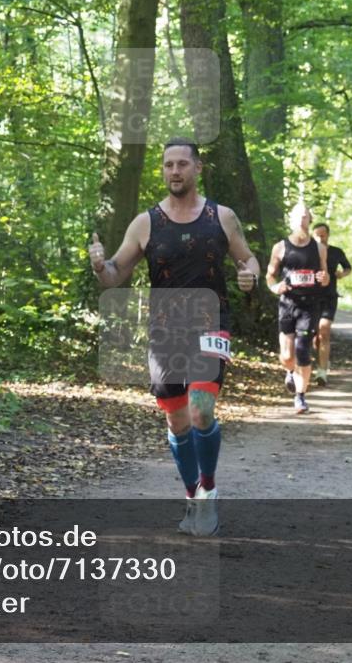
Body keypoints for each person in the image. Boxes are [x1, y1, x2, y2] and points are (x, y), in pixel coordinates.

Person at [88, 137, 259, 537]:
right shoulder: (146, 223)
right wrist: (100, 266)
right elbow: (116, 274)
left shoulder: (222, 216)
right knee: (178, 420)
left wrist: (248, 275)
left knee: (201, 410)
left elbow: (247, 257)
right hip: (164, 331)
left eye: (183, 164)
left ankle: (209, 491)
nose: (175, 171)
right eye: (168, 165)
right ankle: (191, 495)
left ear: (199, 169)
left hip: (210, 320)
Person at [266, 202, 329, 414]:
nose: (302, 220)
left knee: (303, 348)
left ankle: (300, 397)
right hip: (287, 303)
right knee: (286, 355)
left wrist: (323, 277)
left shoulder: (319, 248)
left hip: (309, 305)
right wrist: (275, 287)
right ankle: (290, 371)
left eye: (305, 216)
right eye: (298, 216)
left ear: (309, 220)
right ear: (291, 220)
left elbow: (325, 276)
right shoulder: (280, 247)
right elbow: (270, 274)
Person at [311, 223, 352, 386]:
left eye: (323, 234)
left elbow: (348, 267)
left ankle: (322, 372)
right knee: (315, 337)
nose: (320, 237)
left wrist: (342, 274)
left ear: (328, 235)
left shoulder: (336, 251)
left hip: (329, 296)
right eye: (317, 235)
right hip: (312, 298)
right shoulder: (309, 253)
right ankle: (322, 361)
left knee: (324, 330)